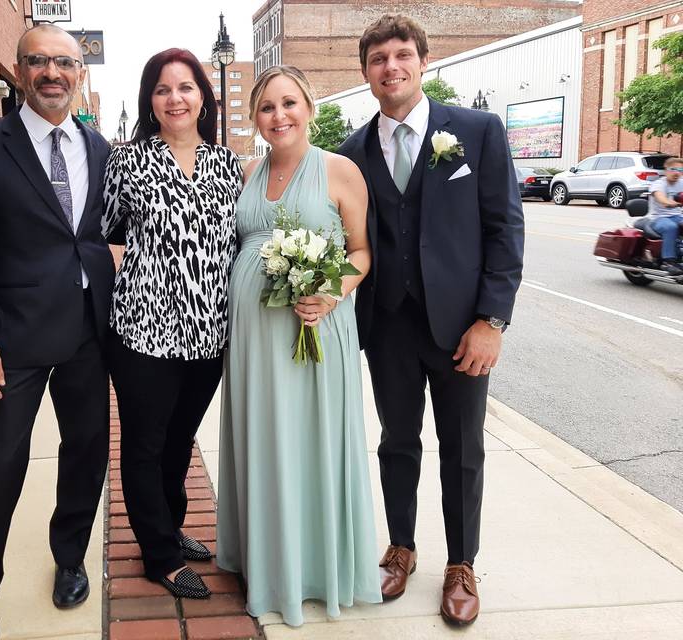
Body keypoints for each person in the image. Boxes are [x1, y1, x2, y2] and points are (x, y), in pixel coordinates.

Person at [337, 14, 524, 627]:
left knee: (464, 449)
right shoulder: (350, 153)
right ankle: (401, 547)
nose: (391, 67)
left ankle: (462, 563)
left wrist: (492, 320)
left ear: (423, 62)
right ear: (365, 73)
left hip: (462, 328)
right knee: (396, 442)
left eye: (401, 55)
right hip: (388, 325)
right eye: (378, 59)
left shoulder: (476, 131)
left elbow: (504, 230)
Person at [0, 24, 114, 640]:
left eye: (65, 63)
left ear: (79, 74)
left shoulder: (101, 150)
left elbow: (98, 236)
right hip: (12, 340)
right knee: (3, 461)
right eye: (39, 61)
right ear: (19, 71)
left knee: (86, 450)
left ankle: (69, 558)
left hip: (87, 334)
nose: (53, 73)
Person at [216, 64, 382, 627]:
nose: (278, 115)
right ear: (255, 119)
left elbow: (361, 252)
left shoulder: (340, 170)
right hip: (255, 339)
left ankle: (315, 567)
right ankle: (265, 560)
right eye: (266, 107)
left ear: (309, 108)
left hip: (315, 326)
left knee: (313, 438)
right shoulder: (245, 173)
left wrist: (329, 292)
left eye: (289, 103)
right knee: (265, 437)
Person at [102, 48, 242, 599]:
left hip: (209, 333)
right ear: (150, 101)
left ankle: (172, 523)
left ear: (203, 96)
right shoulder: (129, 162)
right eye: (162, 90)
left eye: (185, 87)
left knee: (180, 440)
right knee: (143, 444)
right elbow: (106, 233)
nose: (175, 98)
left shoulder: (227, 166)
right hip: (143, 332)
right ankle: (157, 554)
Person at [647, 157, 683, 276]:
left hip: (677, 216)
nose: (677, 172)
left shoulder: (681, 183)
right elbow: (660, 198)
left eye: (680, 170)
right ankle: (669, 262)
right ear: (666, 170)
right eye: (673, 169)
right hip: (658, 218)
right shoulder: (659, 184)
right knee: (670, 227)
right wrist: (670, 202)